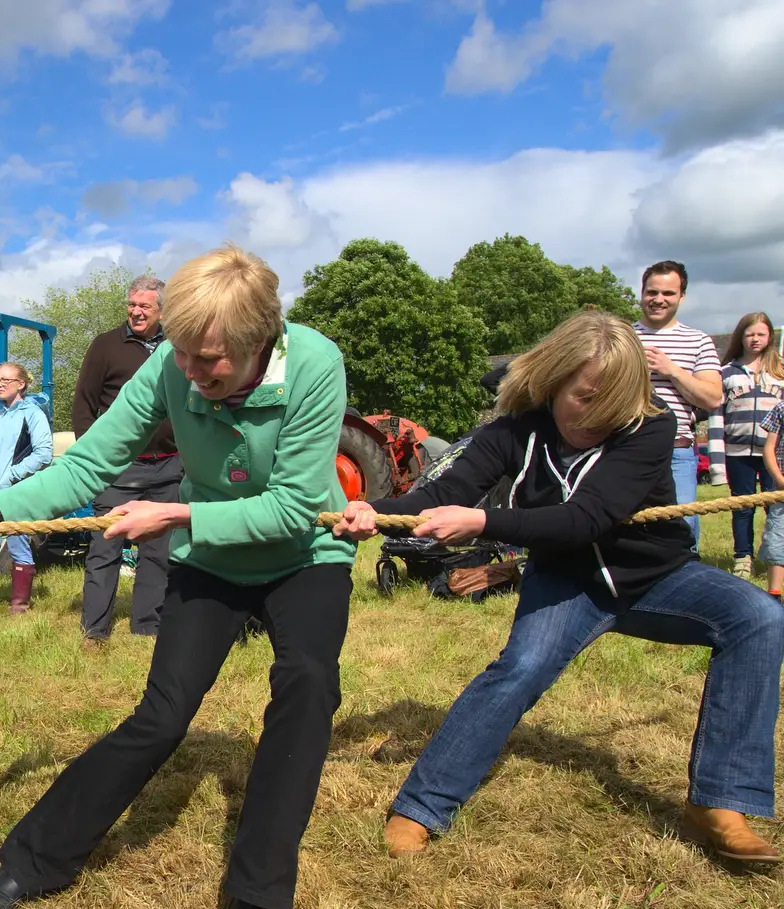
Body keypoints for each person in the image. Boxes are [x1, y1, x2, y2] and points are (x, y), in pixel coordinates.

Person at [0, 245, 357, 909]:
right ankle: (33, 860)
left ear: (260, 342)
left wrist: (177, 518)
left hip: (302, 553)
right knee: (161, 714)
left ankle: (258, 896)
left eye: (210, 361)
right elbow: (91, 464)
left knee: (309, 686)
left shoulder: (315, 364)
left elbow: (293, 505)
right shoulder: (170, 364)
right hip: (211, 558)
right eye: (182, 355)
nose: (189, 373)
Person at [333, 310, 782, 867]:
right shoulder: (511, 431)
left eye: (612, 404)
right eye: (585, 397)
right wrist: (371, 512)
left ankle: (720, 804)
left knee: (759, 617)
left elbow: (585, 519)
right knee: (518, 669)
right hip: (565, 582)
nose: (596, 417)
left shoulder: (652, 427)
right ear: (553, 378)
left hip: (657, 578)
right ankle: (420, 808)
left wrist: (484, 523)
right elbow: (442, 492)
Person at [71, 274, 179, 645]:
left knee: (158, 551)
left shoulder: (176, 346)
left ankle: (147, 626)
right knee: (105, 548)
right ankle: (94, 630)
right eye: (132, 305)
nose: (135, 312)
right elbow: (84, 404)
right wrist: (94, 458)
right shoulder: (105, 346)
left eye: (144, 306)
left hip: (169, 466)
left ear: (161, 311)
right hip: (118, 469)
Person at [633, 261, 722, 545]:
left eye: (668, 293)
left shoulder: (699, 341)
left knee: (682, 527)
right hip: (623, 448)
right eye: (652, 292)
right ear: (642, 292)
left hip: (676, 452)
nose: (658, 300)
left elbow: (713, 397)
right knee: (625, 525)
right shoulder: (621, 338)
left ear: (681, 296)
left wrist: (671, 370)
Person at [0, 362, 53, 611]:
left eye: (7, 380)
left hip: (17, 491)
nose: (0, 383)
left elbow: (44, 453)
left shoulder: (33, 414)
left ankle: (19, 605)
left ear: (21, 384)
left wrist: (13, 476)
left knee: (18, 544)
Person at [708, 312, 783, 578]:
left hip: (774, 454)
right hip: (737, 452)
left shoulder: (780, 372)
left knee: (777, 508)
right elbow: (715, 417)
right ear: (740, 336)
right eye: (749, 334)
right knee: (742, 506)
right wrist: (716, 464)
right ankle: (743, 557)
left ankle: (777, 559)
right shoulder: (725, 373)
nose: (754, 339)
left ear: (770, 337)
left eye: (761, 334)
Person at [757, 399, 784, 600]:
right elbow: (769, 449)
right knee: (777, 543)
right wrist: (780, 480)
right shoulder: (781, 408)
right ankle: (774, 594)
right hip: (782, 493)